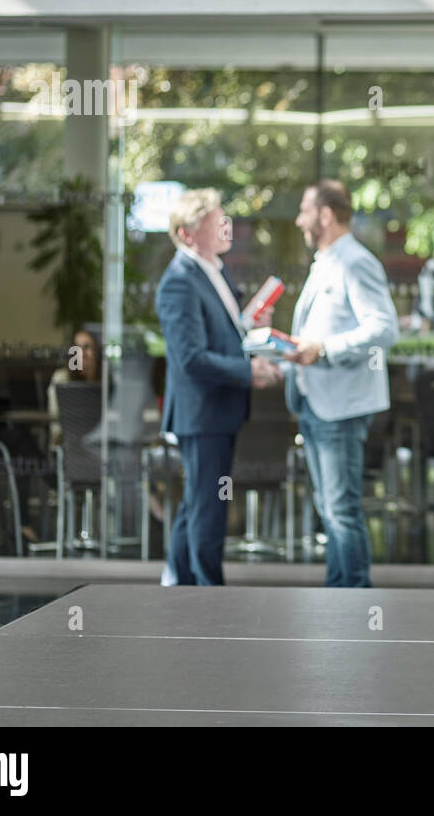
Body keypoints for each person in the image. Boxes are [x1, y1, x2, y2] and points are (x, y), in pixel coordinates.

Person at [155, 188, 280, 586]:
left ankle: (178, 583)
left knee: (198, 504)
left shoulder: (212, 270)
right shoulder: (179, 282)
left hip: (216, 409)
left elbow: (222, 334)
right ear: (187, 233)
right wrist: (250, 371)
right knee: (208, 509)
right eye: (215, 222)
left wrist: (252, 325)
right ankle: (210, 597)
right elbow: (190, 358)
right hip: (202, 411)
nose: (227, 226)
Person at [282, 180, 400, 588]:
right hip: (314, 401)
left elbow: (384, 329)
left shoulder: (355, 261)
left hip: (341, 407)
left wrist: (325, 348)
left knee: (341, 509)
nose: (299, 220)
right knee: (329, 508)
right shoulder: (326, 261)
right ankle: (338, 598)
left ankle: (352, 598)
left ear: (325, 215)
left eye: (304, 210)